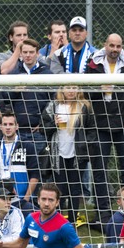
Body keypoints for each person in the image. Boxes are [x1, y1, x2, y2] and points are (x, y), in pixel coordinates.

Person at [86, 33, 124, 210]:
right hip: (100, 124)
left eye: (118, 46)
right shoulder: (93, 65)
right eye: (112, 46)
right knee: (99, 169)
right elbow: (86, 93)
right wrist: (99, 89)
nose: (115, 50)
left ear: (122, 47)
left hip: (123, 124)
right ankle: (102, 212)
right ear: (105, 45)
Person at [43, 86, 90, 224]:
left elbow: (91, 129)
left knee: (75, 189)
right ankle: (57, 220)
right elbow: (43, 128)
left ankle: (73, 221)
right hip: (58, 154)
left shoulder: (84, 106)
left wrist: (86, 146)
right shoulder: (53, 106)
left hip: (77, 154)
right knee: (60, 188)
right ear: (62, 89)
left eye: (74, 87)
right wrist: (54, 123)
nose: (71, 90)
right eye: (68, 87)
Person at [0, 113, 40, 211]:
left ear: (17, 126)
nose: (8, 127)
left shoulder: (28, 146)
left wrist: (26, 199)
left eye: (11, 124)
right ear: (0, 127)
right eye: (5, 124)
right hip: (0, 198)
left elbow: (35, 175)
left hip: (21, 199)